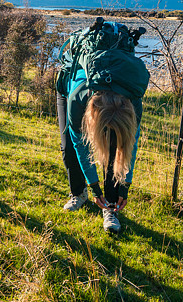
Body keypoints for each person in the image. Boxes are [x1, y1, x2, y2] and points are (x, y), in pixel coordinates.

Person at [57, 62, 143, 234]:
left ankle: (110, 208)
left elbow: (129, 150)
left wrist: (125, 186)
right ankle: (79, 193)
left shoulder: (133, 104)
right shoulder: (77, 100)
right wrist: (95, 188)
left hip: (112, 98)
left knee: (112, 153)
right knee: (69, 149)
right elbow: (81, 147)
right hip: (71, 83)